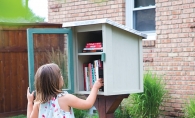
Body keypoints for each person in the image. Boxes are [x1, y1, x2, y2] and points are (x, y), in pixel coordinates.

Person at [27, 63, 103, 118]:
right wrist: (95, 87)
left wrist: (30, 102)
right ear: (55, 81)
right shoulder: (66, 98)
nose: (61, 76)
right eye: (59, 75)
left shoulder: (39, 103)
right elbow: (88, 104)